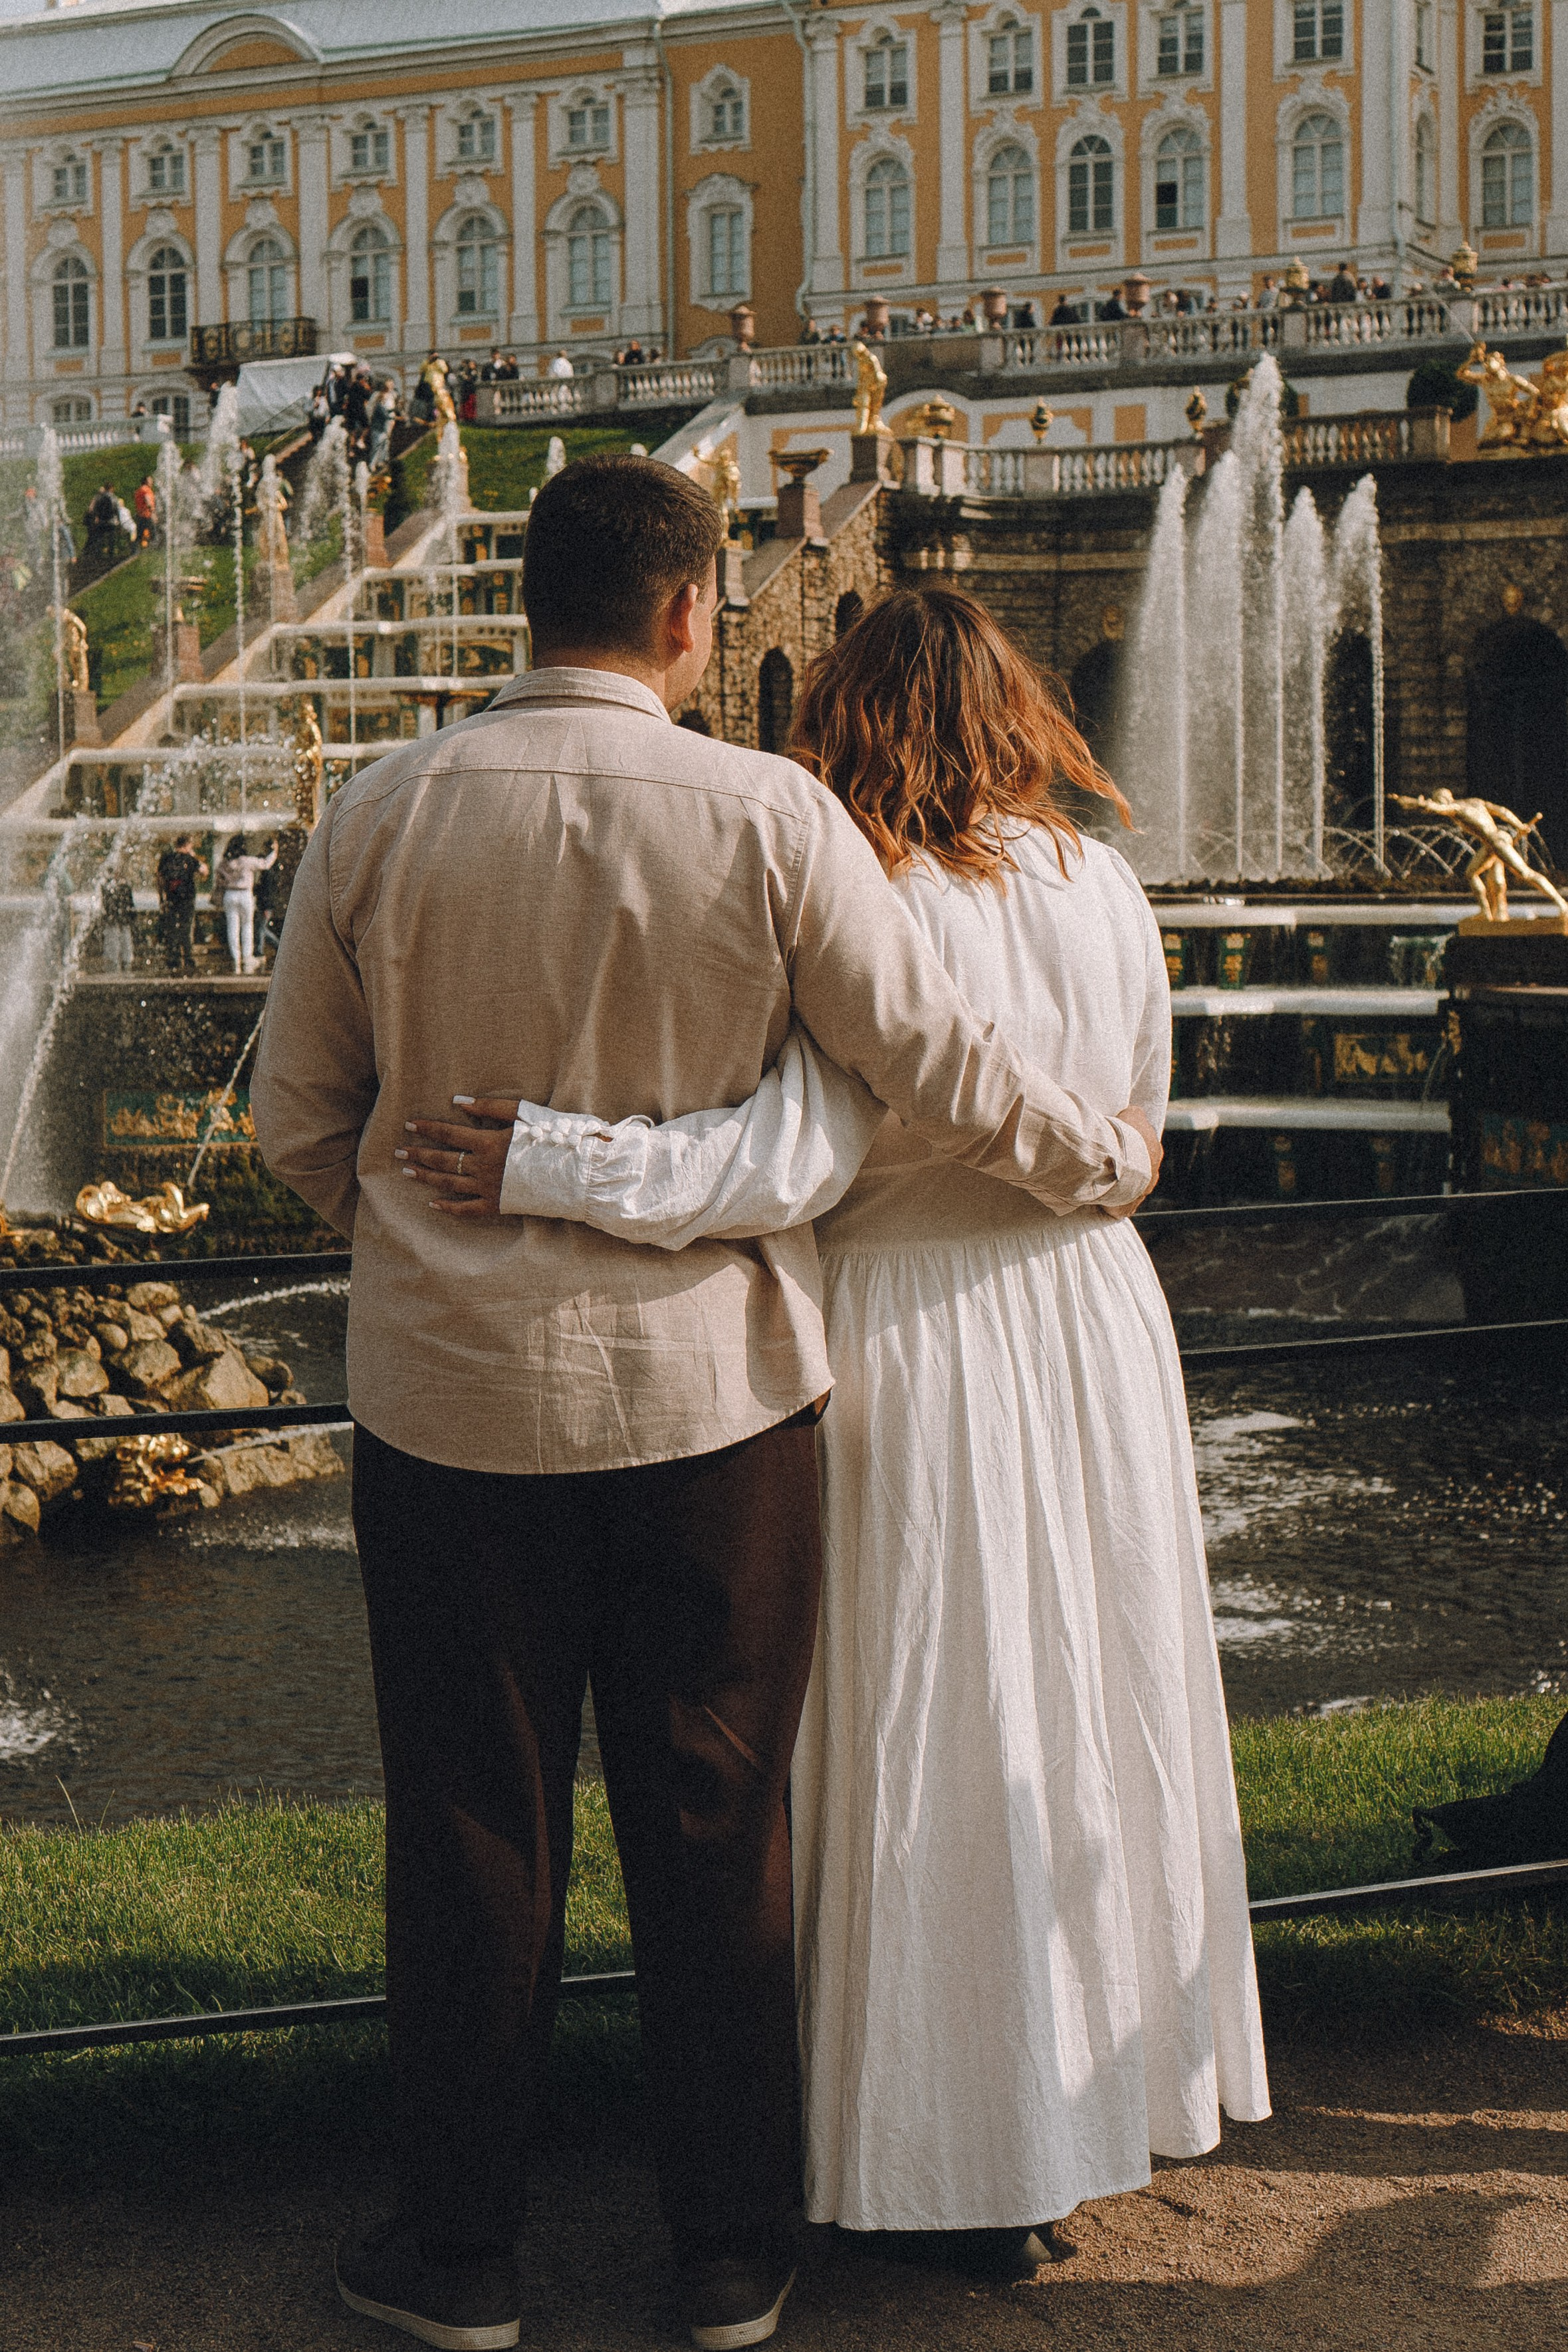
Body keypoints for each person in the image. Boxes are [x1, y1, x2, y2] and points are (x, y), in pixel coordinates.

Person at [251, 457, 1158, 2352]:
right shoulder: (767, 814)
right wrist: (1097, 1155)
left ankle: (460, 2253)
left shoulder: (377, 809)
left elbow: (296, 1124)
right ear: (688, 616)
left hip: (448, 1407)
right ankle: (730, 2251)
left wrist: (420, 1250)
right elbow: (928, 1055)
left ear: (523, 602)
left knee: (471, 1823)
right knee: (718, 1821)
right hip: (716, 1403)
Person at [405, 584, 1269, 2282]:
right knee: (1076, 1717)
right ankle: (1053, 2119)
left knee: (905, 1731)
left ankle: (914, 2140)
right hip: (1089, 1315)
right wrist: (1099, 1169)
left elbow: (783, 1157)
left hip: (900, 1331)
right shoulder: (1101, 885)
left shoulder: (856, 890)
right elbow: (1136, 1126)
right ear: (1021, 717)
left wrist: (546, 1160)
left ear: (843, 720)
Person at [213, 832, 277, 975]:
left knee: (232, 928)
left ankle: (235, 958)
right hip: (245, 895)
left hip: (230, 895)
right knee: (247, 926)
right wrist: (274, 852)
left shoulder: (225, 863)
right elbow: (265, 864)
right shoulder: (247, 861)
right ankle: (247, 957)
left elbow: (218, 877)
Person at [157, 832, 207, 973]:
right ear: (188, 845)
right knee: (186, 928)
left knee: (172, 928)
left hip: (171, 898)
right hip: (187, 898)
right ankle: (188, 958)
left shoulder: (167, 858)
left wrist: (161, 898)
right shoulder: (189, 859)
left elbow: (159, 879)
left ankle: (173, 959)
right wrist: (194, 856)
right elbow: (204, 872)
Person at [99, 872, 136, 973]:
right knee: (119, 932)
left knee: (119, 932)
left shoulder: (119, 885)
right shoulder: (111, 884)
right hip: (118, 918)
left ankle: (119, 961)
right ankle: (121, 961)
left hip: (118, 918)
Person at [133, 475, 158, 548]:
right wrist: (153, 513)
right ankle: (152, 549)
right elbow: (148, 501)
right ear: (146, 482)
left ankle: (135, 551)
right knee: (153, 534)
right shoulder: (146, 490)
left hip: (140, 515)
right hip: (147, 515)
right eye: (150, 480)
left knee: (139, 535)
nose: (152, 482)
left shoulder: (139, 490)